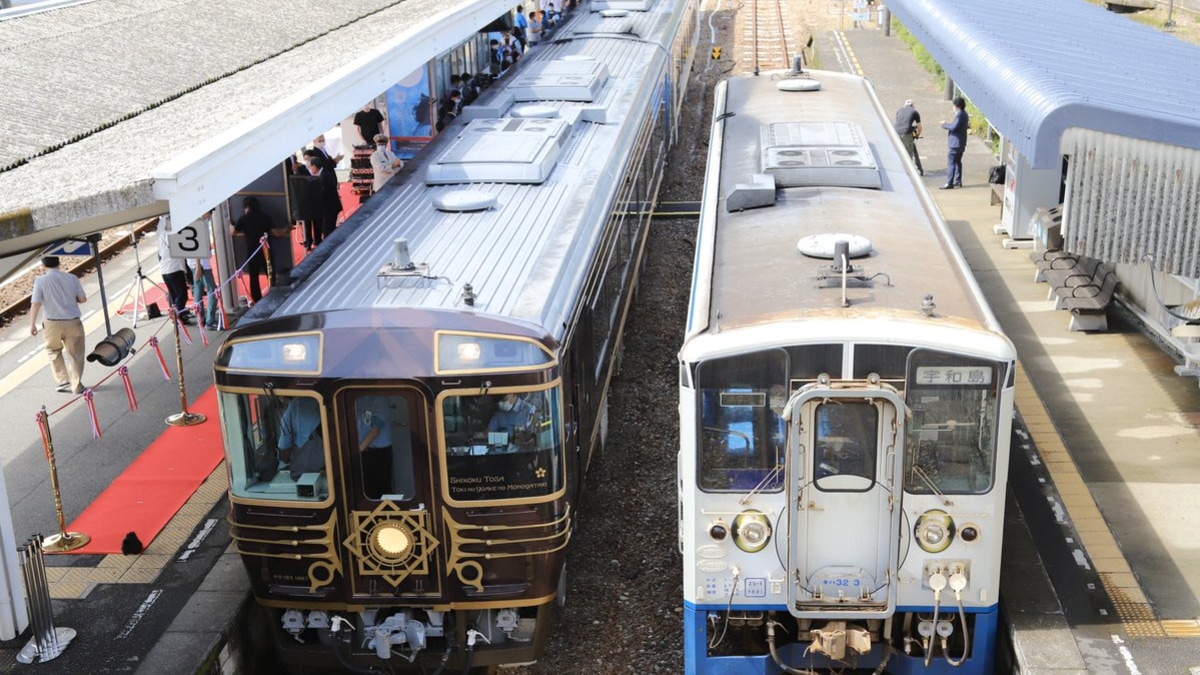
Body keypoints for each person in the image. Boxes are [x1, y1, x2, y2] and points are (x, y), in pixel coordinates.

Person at [29, 256, 87, 394]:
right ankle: (76, 385)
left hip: (51, 323)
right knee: (76, 354)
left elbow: (36, 303)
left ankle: (63, 381)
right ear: (59, 264)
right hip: (73, 321)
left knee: (53, 350)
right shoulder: (72, 278)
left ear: (43, 265)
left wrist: (32, 324)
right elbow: (83, 299)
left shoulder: (40, 281)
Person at [231, 196, 273, 303]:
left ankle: (257, 299)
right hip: (265, 251)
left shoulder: (244, 219)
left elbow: (233, 232)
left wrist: (230, 224)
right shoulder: (264, 217)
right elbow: (273, 231)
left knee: (254, 278)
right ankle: (274, 294)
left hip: (252, 252)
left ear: (247, 207)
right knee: (270, 274)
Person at [277, 397, 325, 482]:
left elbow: (284, 444)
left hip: (308, 465)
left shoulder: (296, 404)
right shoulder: (321, 398)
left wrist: (285, 459)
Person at [156, 214, 193, 323]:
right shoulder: (173, 231)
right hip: (175, 268)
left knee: (173, 293)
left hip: (164, 268)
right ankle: (179, 315)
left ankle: (177, 314)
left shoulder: (160, 230)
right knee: (182, 294)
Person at [305, 149, 344, 239]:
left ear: (314, 167)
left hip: (329, 210)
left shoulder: (324, 177)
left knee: (328, 233)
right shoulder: (323, 174)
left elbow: (323, 195)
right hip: (329, 209)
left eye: (310, 167)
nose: (309, 170)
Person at [939, 96, 969, 189]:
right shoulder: (965, 114)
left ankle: (950, 182)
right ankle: (958, 180)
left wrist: (945, 124)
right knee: (958, 162)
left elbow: (953, 127)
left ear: (957, 106)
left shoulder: (960, 115)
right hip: (961, 143)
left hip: (955, 144)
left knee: (951, 162)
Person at [894, 99, 924, 176]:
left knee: (899, 151)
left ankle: (899, 168)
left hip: (896, 132)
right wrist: (917, 135)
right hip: (906, 132)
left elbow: (900, 122)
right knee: (909, 152)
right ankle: (909, 172)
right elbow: (920, 127)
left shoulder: (899, 110)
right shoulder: (914, 112)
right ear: (913, 106)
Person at [190, 252, 219, 330]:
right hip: (202, 264)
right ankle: (210, 321)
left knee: (198, 289)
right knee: (212, 291)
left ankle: (200, 319)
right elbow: (197, 248)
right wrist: (198, 266)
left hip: (193, 263)